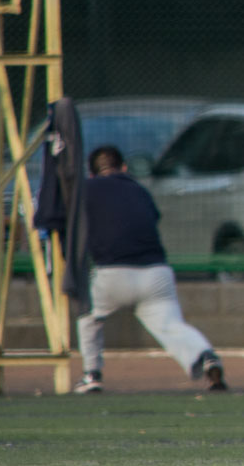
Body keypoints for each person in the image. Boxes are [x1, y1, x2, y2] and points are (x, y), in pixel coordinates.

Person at [72, 146, 225, 394]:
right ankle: (204, 355)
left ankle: (92, 374)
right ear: (124, 168)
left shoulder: (86, 190)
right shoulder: (139, 190)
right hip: (156, 273)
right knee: (171, 325)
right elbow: (152, 219)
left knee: (88, 318)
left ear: (91, 173)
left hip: (113, 273)